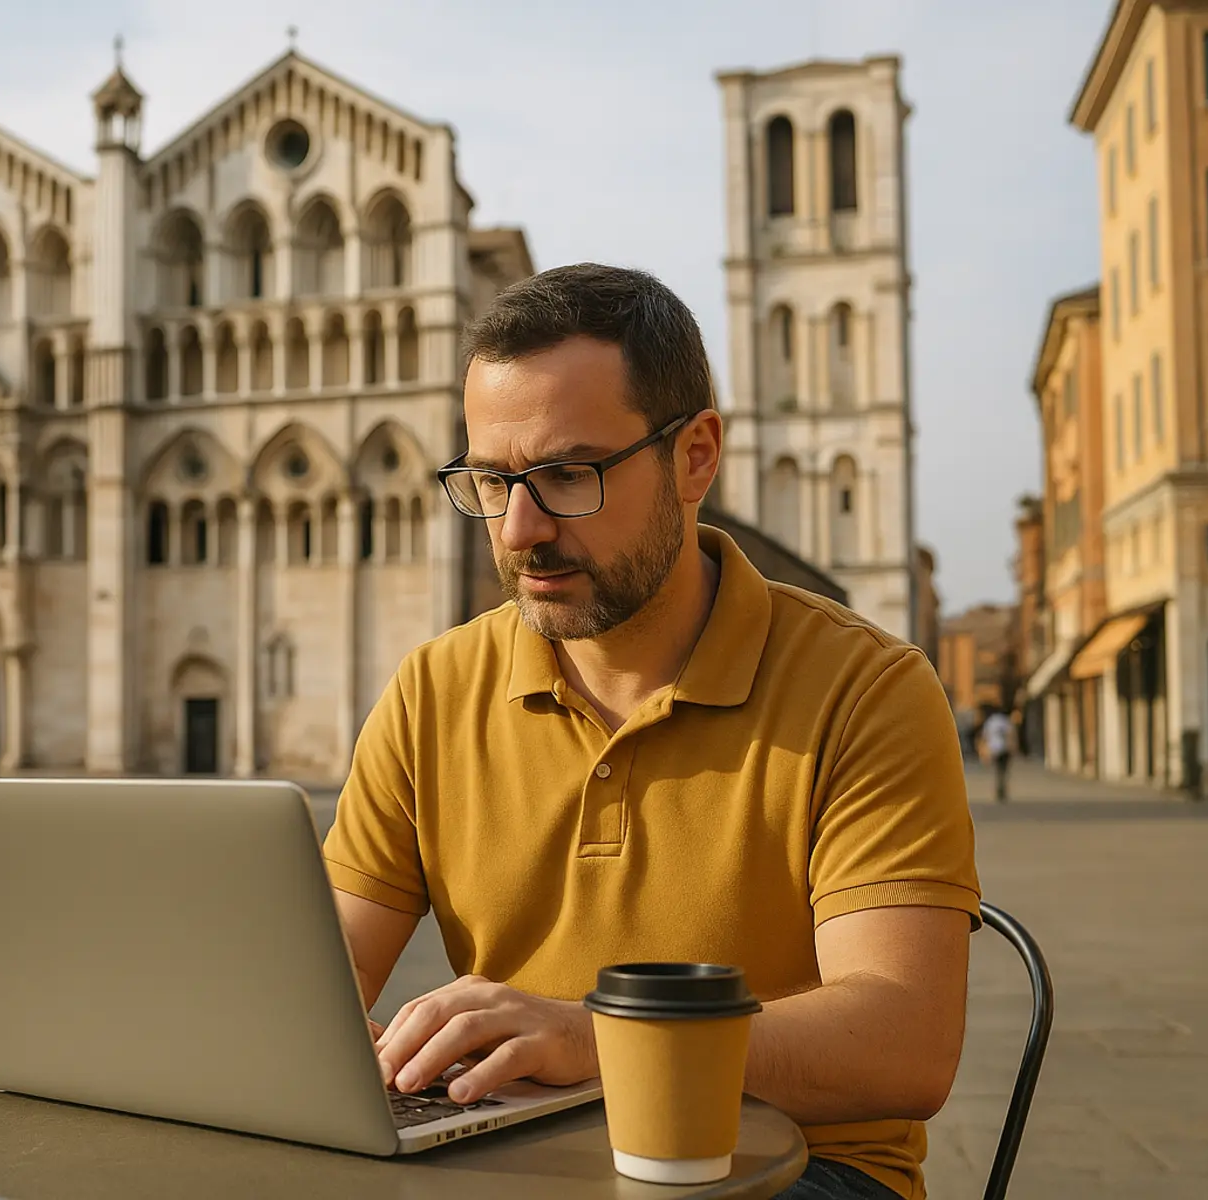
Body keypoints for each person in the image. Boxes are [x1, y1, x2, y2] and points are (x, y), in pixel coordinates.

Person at [323, 264, 980, 1200]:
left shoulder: (866, 690)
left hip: (795, 1171)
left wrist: (593, 1040)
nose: (519, 529)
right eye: (490, 481)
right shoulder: (434, 688)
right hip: (514, 1165)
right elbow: (324, 970)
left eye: (566, 475)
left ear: (695, 457)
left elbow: (904, 1043)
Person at [981, 709, 1014, 801]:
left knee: (997, 770)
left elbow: (985, 736)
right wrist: (1012, 746)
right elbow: (1010, 734)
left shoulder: (990, 722)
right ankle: (1002, 790)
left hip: (994, 749)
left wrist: (984, 751)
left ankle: (998, 790)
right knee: (1003, 771)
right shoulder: (1005, 721)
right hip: (1004, 748)